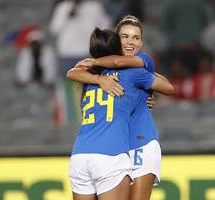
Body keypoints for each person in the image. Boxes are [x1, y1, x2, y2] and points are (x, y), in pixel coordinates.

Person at [70, 15, 171, 200]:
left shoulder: (140, 63)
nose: (130, 42)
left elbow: (167, 86)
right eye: (125, 36)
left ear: (141, 42)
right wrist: (99, 77)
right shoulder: (101, 73)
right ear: (116, 40)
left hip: (140, 142)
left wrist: (95, 63)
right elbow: (73, 72)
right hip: (115, 148)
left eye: (135, 37)